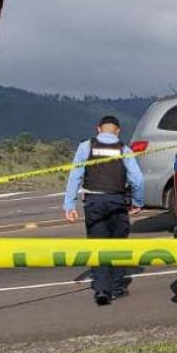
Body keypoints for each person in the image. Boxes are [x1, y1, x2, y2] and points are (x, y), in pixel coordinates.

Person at [63, 115, 145, 305]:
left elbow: (75, 176)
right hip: (117, 200)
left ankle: (101, 290)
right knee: (118, 245)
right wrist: (138, 202)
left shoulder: (86, 147)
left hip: (94, 202)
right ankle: (117, 288)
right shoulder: (124, 149)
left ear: (98, 129)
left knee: (98, 245)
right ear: (118, 131)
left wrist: (69, 205)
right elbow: (138, 179)